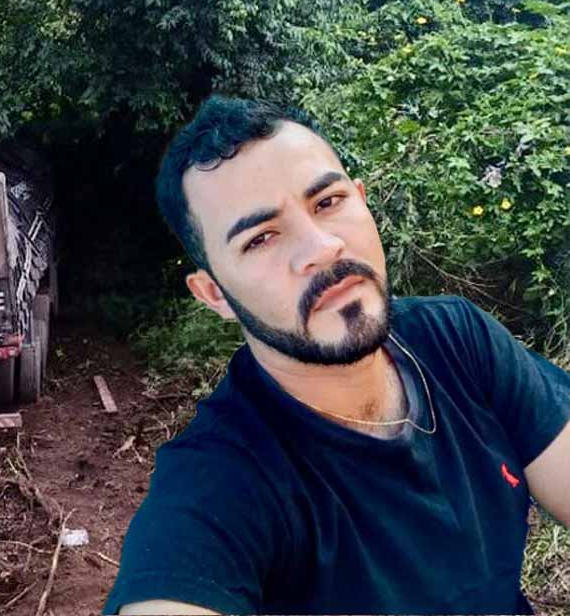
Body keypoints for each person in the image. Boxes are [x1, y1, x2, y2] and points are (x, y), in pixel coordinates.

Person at [103, 96, 570, 615]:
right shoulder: (223, 480)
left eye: (327, 202)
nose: (321, 247)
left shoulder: (456, 340)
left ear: (363, 201)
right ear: (214, 294)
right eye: (261, 239)